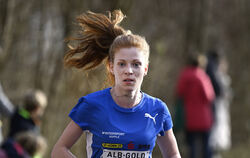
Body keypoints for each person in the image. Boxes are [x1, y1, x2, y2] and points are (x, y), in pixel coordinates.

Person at [51, 10, 181, 158]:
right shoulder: (91, 105)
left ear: (145, 68)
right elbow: (59, 150)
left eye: (136, 64)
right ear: (111, 67)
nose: (129, 71)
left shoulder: (158, 109)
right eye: (122, 64)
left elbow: (173, 154)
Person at [176, 52, 215, 158]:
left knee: (191, 146)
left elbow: (179, 93)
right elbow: (209, 96)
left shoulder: (184, 75)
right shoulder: (202, 76)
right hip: (203, 117)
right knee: (206, 146)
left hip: (189, 117)